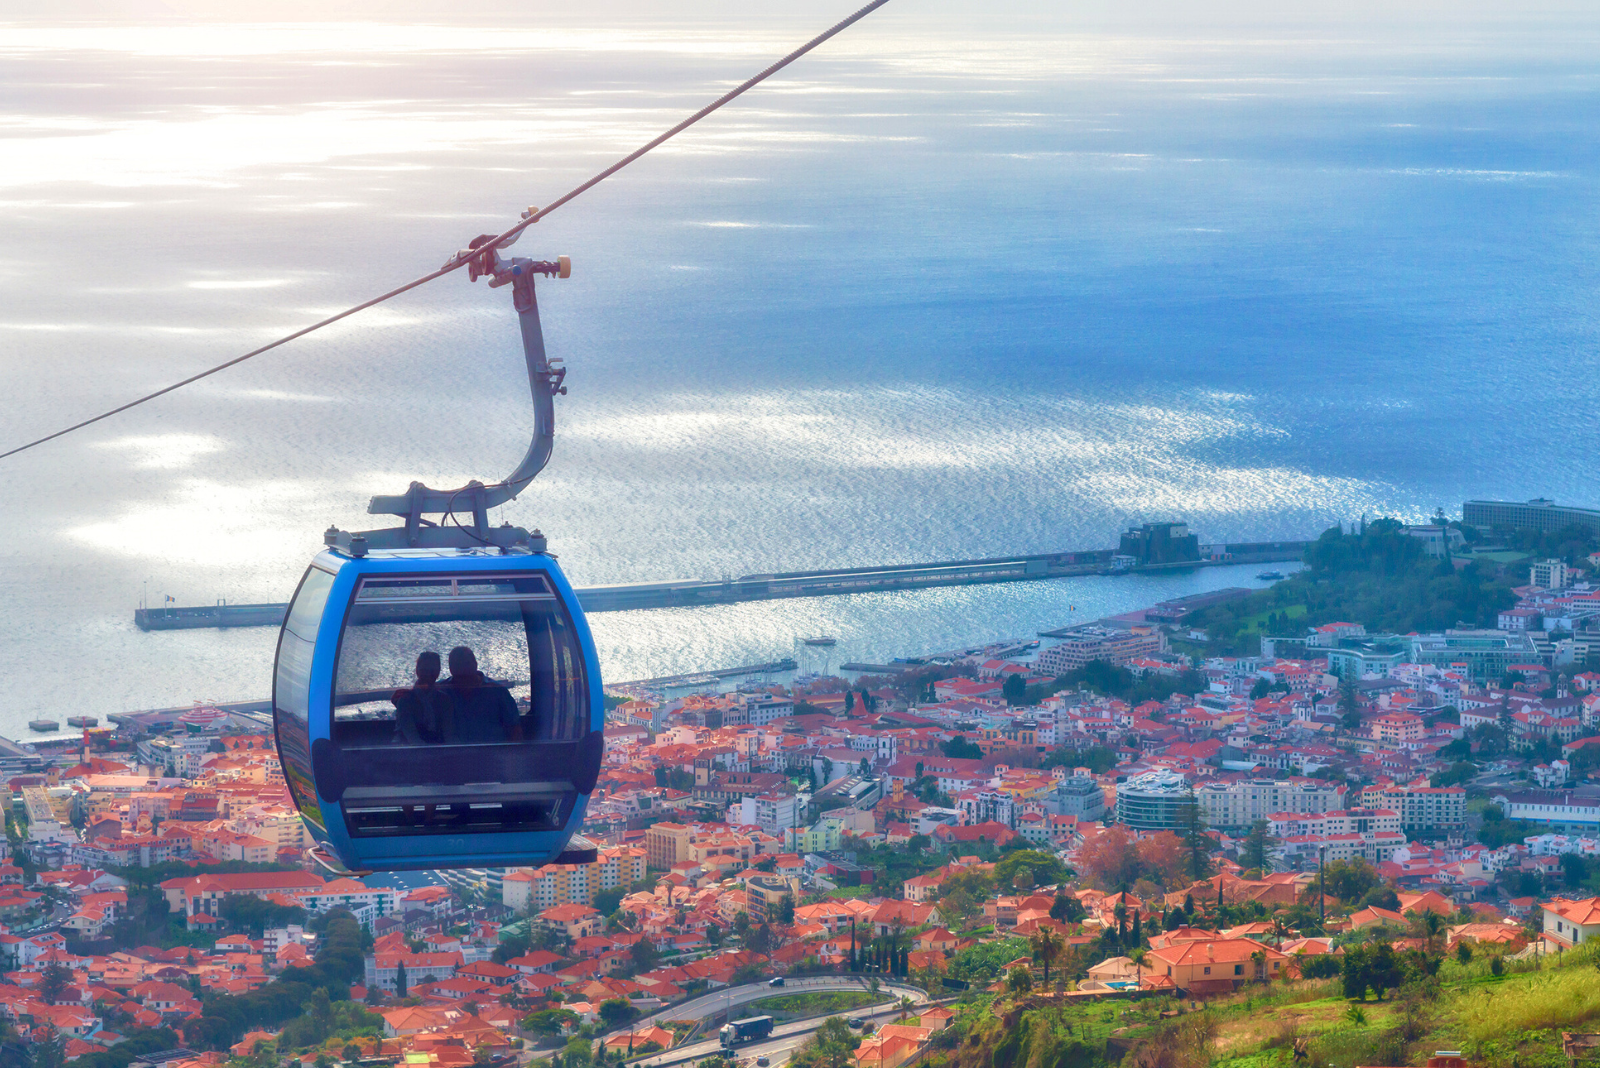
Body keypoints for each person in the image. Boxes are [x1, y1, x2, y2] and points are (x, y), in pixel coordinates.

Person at [442, 645, 523, 743]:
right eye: (458, 665)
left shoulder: (497, 692)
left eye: (466, 664)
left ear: (475, 664)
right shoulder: (441, 690)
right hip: (452, 755)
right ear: (450, 669)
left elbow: (515, 729)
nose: (462, 669)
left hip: (493, 756)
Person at [391, 651, 452, 745]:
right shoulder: (405, 699)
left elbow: (449, 733)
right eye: (425, 670)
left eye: (432, 670)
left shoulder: (444, 699)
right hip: (407, 751)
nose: (428, 674)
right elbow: (411, 735)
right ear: (417, 670)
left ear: (438, 671)